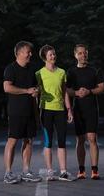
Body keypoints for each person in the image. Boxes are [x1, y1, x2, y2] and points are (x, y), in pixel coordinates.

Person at [3, 41, 42, 184]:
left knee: (29, 140)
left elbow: (36, 87)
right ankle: (8, 173)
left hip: (30, 111)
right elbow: (7, 87)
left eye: (30, 52)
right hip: (16, 111)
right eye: (28, 52)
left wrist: (37, 92)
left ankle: (26, 171)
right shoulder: (10, 69)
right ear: (19, 53)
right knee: (12, 141)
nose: (30, 54)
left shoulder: (32, 69)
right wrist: (26, 91)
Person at [66, 44, 104, 180]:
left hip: (91, 108)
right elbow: (66, 90)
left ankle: (95, 170)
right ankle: (81, 170)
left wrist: (89, 91)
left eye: (85, 53)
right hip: (78, 109)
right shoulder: (71, 72)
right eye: (80, 53)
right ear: (75, 55)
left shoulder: (95, 70)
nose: (83, 56)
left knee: (92, 138)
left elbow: (103, 87)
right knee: (80, 139)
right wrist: (77, 92)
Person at [36, 45, 76, 181]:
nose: (53, 56)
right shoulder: (39, 73)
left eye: (54, 54)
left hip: (60, 110)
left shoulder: (62, 72)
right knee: (48, 141)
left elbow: (65, 92)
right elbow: (37, 91)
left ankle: (63, 171)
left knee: (62, 141)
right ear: (44, 58)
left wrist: (69, 109)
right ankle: (49, 171)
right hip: (46, 110)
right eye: (50, 55)